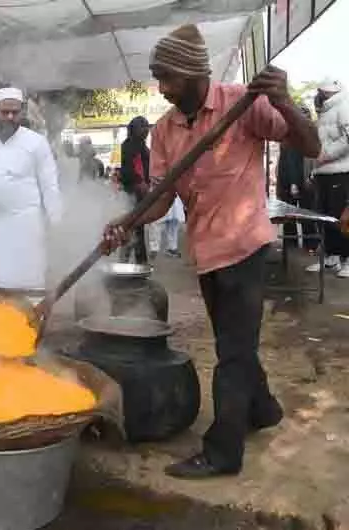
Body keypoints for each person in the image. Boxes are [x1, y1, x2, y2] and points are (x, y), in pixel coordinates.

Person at [102, 24, 320, 479]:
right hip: (205, 250)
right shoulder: (164, 131)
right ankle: (263, 410)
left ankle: (223, 451)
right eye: (157, 78)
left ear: (194, 74)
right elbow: (162, 198)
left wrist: (282, 100)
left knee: (233, 353)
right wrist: (128, 222)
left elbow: (310, 144)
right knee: (233, 341)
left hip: (244, 245)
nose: (161, 89)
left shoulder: (244, 103)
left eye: (168, 78)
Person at [0, 87, 62, 290]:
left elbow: (50, 186)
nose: (10, 117)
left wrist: (56, 222)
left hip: (25, 227)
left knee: (25, 286)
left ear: (23, 112)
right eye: (4, 112)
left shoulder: (36, 144)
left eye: (15, 112)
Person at [308, 80, 349, 276]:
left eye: (323, 91)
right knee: (324, 216)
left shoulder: (344, 106)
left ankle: (347, 259)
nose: (320, 95)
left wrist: (327, 154)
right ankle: (332, 257)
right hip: (323, 172)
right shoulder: (322, 112)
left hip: (340, 172)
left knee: (342, 217)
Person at [277, 105, 317, 250]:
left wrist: (299, 182)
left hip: (303, 179)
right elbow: (285, 161)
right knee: (288, 213)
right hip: (287, 179)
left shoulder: (311, 134)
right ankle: (292, 242)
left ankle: (310, 243)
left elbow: (313, 159)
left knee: (307, 213)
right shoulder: (288, 133)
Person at [119, 116, 152, 263]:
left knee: (139, 228)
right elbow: (127, 171)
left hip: (141, 193)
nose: (146, 130)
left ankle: (139, 260)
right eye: (142, 127)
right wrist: (139, 182)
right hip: (131, 193)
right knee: (130, 227)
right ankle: (129, 260)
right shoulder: (128, 146)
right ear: (134, 129)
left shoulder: (144, 147)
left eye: (147, 127)